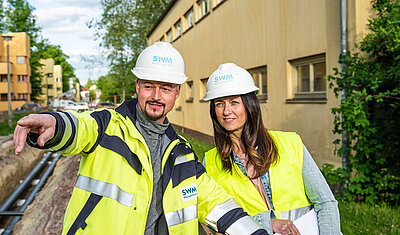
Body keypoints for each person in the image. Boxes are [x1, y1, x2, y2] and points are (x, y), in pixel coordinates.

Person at [13, 43, 269, 235]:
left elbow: (216, 203)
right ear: (137, 86)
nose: (156, 95)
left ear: (176, 92)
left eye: (166, 88)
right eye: (149, 86)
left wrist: (256, 233)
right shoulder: (106, 126)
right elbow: (79, 127)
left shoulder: (183, 153)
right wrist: (55, 123)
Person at [203, 63, 341, 235]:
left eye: (234, 102)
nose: (226, 111)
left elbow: (325, 203)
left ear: (249, 105)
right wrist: (267, 223)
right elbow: (215, 222)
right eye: (219, 104)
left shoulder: (291, 143)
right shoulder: (210, 163)